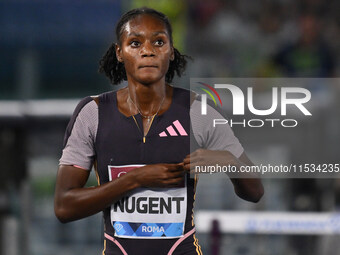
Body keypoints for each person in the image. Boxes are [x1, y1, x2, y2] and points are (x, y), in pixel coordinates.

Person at [54, 7, 264, 255]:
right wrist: (136, 179)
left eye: (159, 42)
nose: (148, 50)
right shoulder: (93, 113)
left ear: (171, 52)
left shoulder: (199, 112)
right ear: (119, 53)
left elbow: (255, 192)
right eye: (135, 42)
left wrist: (229, 162)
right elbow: (64, 207)